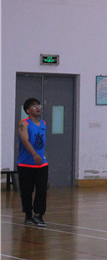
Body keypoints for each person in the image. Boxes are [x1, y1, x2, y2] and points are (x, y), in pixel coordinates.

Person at [17, 97, 49, 227]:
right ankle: (28, 214)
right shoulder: (23, 124)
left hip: (41, 164)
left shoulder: (43, 123)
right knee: (26, 191)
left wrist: (42, 156)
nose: (38, 107)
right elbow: (25, 140)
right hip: (26, 164)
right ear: (27, 110)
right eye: (34, 105)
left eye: (38, 105)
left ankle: (38, 215)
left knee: (42, 189)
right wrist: (34, 154)